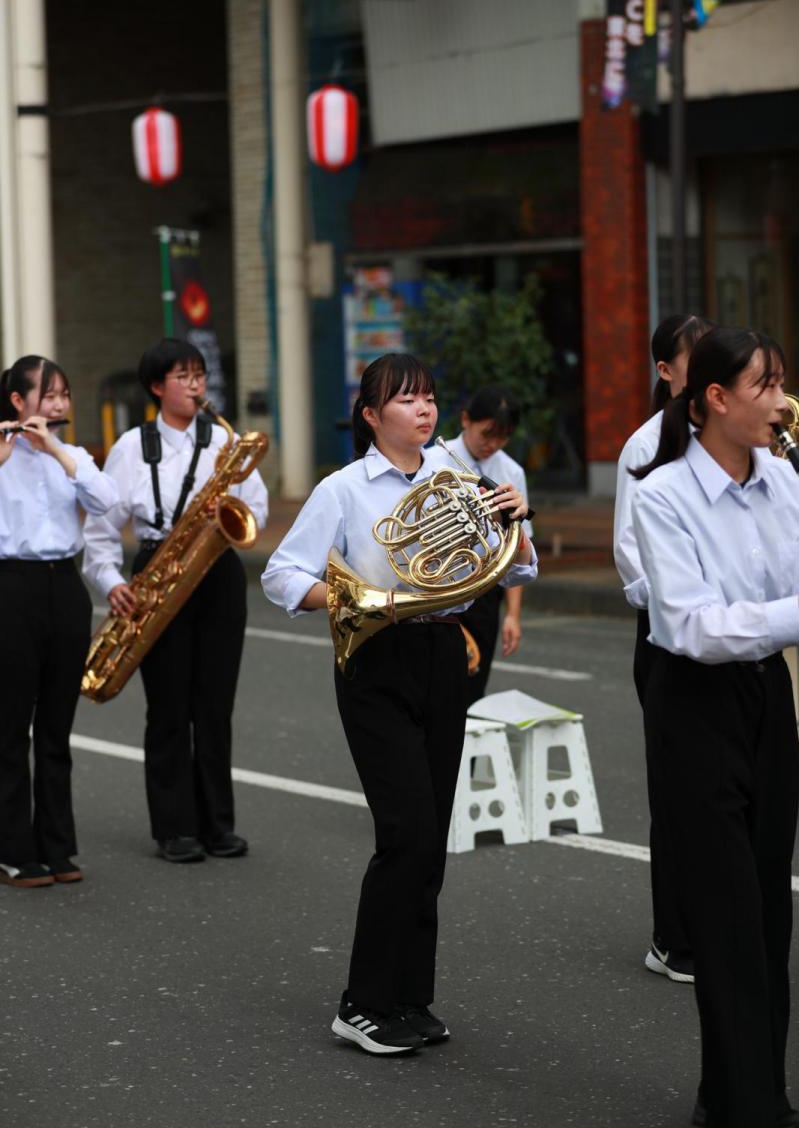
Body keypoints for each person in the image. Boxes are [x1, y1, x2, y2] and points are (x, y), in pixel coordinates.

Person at [262, 354, 537, 1055]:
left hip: (444, 655)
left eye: (429, 397)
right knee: (405, 831)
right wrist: (360, 600)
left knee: (431, 839)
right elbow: (280, 574)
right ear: (370, 414)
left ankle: (409, 997)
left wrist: (515, 519)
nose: (423, 408)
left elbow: (518, 564)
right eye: (406, 398)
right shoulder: (342, 490)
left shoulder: (461, 481)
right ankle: (360, 1003)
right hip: (376, 658)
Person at [630, 328, 799, 1128]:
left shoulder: (783, 478)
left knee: (769, 911)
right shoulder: (662, 493)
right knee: (728, 915)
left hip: (768, 695)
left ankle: (747, 1088)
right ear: (715, 400)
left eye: (780, 383)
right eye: (763, 385)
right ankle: (746, 1106)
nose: (779, 400)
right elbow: (692, 626)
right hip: (694, 704)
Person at [82, 339, 268, 864]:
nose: (195, 385)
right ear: (158, 387)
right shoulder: (131, 447)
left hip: (216, 570)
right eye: (183, 376)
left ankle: (216, 825)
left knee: (215, 705)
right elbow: (101, 528)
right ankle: (174, 828)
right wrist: (110, 580)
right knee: (168, 706)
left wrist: (223, 507)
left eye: (200, 375)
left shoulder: (223, 441)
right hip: (157, 565)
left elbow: (254, 505)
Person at [613, 313, 716, 983]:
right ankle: (671, 936)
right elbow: (630, 554)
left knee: (730, 796)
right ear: (666, 371)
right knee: (678, 791)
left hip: (737, 639)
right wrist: (688, 605)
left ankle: (720, 922)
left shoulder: (740, 443)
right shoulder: (645, 445)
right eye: (697, 360)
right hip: (669, 636)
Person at [0, 356, 118, 888]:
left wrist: (55, 450)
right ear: (17, 402)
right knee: (9, 728)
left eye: (64, 395)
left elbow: (108, 502)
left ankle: (57, 845)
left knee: (55, 727)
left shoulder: (70, 454)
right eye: (48, 395)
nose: (59, 405)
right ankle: (12, 848)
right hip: (10, 587)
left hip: (64, 589)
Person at [444, 386, 533, 705]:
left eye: (503, 437)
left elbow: (518, 544)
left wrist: (513, 615)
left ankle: (466, 753)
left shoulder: (511, 471)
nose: (493, 444)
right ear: (466, 420)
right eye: (487, 434)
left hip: (485, 592)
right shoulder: (435, 460)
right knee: (439, 686)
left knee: (473, 682)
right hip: (442, 585)